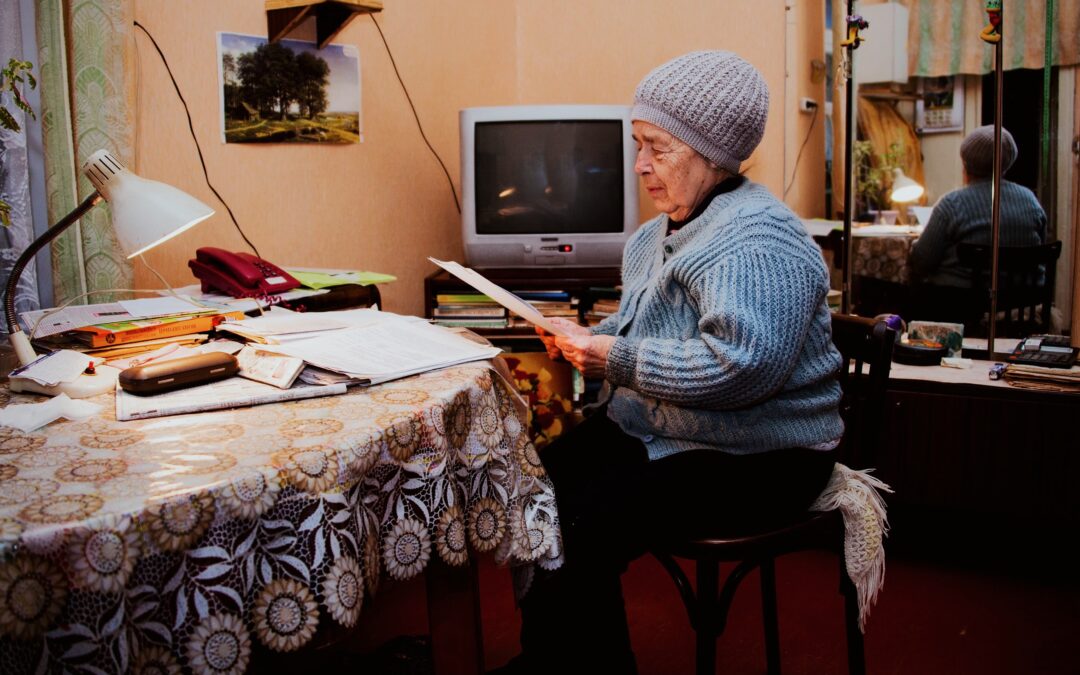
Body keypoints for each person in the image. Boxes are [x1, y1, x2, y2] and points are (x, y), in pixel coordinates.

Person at [492, 51, 844, 674]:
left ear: (713, 152)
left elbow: (741, 369)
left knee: (579, 520)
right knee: (532, 484)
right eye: (637, 144)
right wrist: (586, 340)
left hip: (762, 456)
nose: (640, 166)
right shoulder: (657, 234)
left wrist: (608, 354)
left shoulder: (759, 240)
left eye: (658, 147)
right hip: (670, 430)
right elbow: (649, 331)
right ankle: (552, 658)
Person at [908, 124, 1047, 289]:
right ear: (1008, 161)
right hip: (1021, 307)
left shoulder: (952, 204)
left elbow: (921, 262)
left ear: (965, 164)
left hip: (958, 308)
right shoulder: (1030, 200)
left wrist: (914, 245)